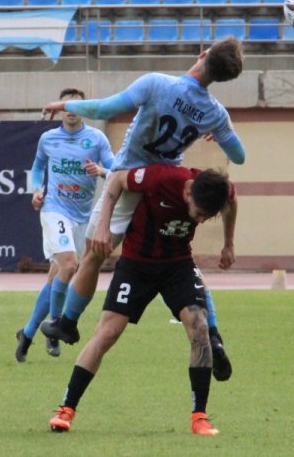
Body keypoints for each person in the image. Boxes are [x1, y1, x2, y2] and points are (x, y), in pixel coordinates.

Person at [40, 37, 246, 381]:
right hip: (170, 187)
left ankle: (68, 323)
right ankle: (214, 334)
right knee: (182, 263)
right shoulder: (215, 112)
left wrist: (66, 106)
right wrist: (217, 132)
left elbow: (105, 110)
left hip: (132, 179)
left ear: (203, 53)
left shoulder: (157, 83)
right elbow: (238, 156)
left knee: (93, 254)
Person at [48, 164, 237, 436]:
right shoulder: (161, 178)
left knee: (199, 328)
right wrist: (103, 227)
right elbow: (116, 180)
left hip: (177, 264)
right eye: (199, 214)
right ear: (187, 193)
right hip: (137, 264)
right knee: (107, 333)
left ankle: (200, 418)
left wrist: (228, 243)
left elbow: (233, 199)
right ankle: (66, 410)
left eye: (208, 217)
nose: (202, 220)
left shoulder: (218, 189)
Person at [16, 88, 114, 363]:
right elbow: (37, 168)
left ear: (84, 110)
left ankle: (28, 332)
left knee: (57, 276)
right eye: (67, 106)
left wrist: (101, 171)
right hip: (54, 209)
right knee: (70, 266)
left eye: (77, 106)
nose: (71, 110)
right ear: (61, 110)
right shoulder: (48, 139)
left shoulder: (96, 139)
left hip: (82, 215)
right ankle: (56, 325)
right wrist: (37, 190)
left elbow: (116, 169)